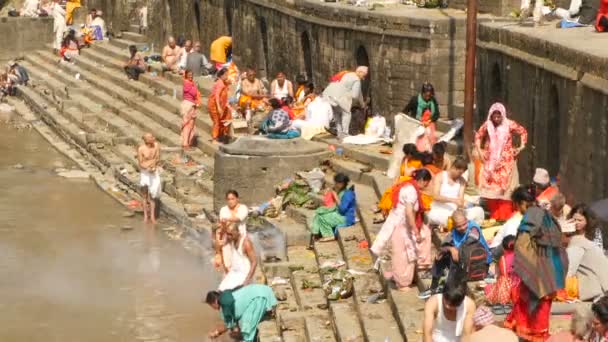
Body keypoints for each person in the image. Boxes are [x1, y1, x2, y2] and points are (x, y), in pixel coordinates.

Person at [504, 185, 568, 342]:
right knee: (541, 309)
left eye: (517, 206)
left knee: (532, 310)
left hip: (540, 271)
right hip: (554, 268)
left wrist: (531, 273)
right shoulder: (546, 214)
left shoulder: (531, 215)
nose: (518, 210)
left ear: (522, 203)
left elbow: (522, 245)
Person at [372, 169, 433, 290]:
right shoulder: (411, 191)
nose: (426, 187)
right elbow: (409, 212)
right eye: (426, 184)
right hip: (402, 226)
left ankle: (408, 277)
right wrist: (415, 230)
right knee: (403, 256)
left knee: (409, 251)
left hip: (400, 224)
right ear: (421, 180)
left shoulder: (408, 186)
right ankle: (402, 283)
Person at [419, 210, 492, 299]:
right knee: (441, 255)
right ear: (454, 225)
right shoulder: (454, 232)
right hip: (464, 262)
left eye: (464, 224)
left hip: (478, 265)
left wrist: (452, 250)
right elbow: (444, 245)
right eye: (459, 226)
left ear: (467, 220)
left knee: (454, 257)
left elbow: (467, 246)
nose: (462, 228)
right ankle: (434, 286)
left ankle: (450, 287)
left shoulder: (474, 229)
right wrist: (450, 249)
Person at [474, 102, 527, 220]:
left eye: (499, 116)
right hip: (491, 164)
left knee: (505, 192)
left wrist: (521, 147)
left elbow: (523, 131)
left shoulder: (509, 124)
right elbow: (478, 136)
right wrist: (479, 150)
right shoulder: (487, 125)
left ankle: (504, 217)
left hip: (506, 163)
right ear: (491, 115)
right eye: (494, 116)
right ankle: (495, 216)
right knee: (492, 192)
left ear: (503, 115)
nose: (496, 119)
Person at [562, 204, 608, 302]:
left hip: (597, 291)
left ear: (587, 221)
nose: (576, 223)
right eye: (574, 220)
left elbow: (570, 269)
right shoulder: (580, 238)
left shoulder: (577, 241)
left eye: (580, 220)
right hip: (601, 286)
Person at [205, 284, 277, 342]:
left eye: (211, 306)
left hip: (258, 297)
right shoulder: (225, 294)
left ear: (214, 302)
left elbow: (227, 325)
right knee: (246, 325)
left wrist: (216, 333)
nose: (213, 308)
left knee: (247, 330)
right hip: (261, 290)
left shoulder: (224, 304)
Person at [427, 157, 485, 227]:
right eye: (460, 172)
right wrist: (452, 200)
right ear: (454, 167)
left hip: (455, 213)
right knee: (451, 219)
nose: (460, 175)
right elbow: (435, 196)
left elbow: (460, 200)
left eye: (462, 173)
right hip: (439, 211)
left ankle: (469, 230)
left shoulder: (462, 181)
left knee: (479, 211)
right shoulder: (441, 176)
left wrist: (461, 205)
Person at [376, 143, 424, 222]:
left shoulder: (419, 162)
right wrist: (397, 181)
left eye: (406, 154)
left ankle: (384, 214)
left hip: (411, 184)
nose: (405, 155)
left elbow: (418, 177)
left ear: (410, 153)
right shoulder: (405, 158)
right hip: (401, 180)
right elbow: (401, 173)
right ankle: (384, 212)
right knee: (389, 192)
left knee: (395, 194)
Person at [309, 173, 357, 244]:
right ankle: (315, 234)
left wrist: (335, 195)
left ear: (342, 183)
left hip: (345, 218)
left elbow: (342, 209)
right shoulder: (341, 191)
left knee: (323, 217)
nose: (335, 185)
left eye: (337, 183)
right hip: (338, 214)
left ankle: (329, 235)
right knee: (319, 214)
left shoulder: (348, 194)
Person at [323, 66, 368, 139]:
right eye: (364, 75)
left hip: (328, 94)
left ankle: (339, 132)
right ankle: (344, 134)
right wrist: (358, 104)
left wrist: (362, 104)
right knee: (347, 113)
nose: (364, 78)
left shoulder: (346, 74)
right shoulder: (356, 79)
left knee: (337, 113)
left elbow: (359, 93)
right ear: (360, 72)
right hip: (340, 95)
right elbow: (355, 95)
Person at [218, 223, 257, 291]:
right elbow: (220, 244)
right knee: (220, 290)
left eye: (231, 234)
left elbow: (254, 262)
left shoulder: (246, 243)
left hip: (244, 274)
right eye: (227, 234)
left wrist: (247, 280)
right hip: (234, 273)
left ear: (237, 232)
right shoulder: (231, 239)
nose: (229, 236)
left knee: (234, 293)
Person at [484, 235, 519, 310]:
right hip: (518, 284)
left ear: (503, 247)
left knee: (489, 286)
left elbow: (499, 274)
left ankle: (505, 301)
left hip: (505, 286)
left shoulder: (502, 259)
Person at [137, 133, 161, 224]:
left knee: (153, 195)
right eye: (151, 137)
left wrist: (153, 167)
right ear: (146, 140)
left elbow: (158, 158)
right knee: (145, 195)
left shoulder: (156, 146)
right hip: (145, 172)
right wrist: (147, 168)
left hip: (154, 171)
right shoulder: (141, 149)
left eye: (153, 136)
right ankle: (146, 216)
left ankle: (153, 217)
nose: (153, 138)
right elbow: (140, 163)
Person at [207, 68, 231, 144]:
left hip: (221, 105)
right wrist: (218, 107)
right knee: (216, 121)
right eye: (226, 75)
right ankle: (214, 138)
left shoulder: (223, 82)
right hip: (214, 105)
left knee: (224, 119)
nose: (227, 76)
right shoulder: (220, 83)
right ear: (222, 75)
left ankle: (221, 136)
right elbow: (216, 95)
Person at [180, 70, 201, 150]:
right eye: (189, 75)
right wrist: (195, 87)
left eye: (192, 75)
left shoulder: (191, 83)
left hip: (191, 105)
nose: (191, 76)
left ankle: (188, 143)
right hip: (188, 105)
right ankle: (185, 143)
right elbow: (193, 93)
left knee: (191, 125)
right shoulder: (187, 83)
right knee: (187, 125)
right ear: (186, 75)